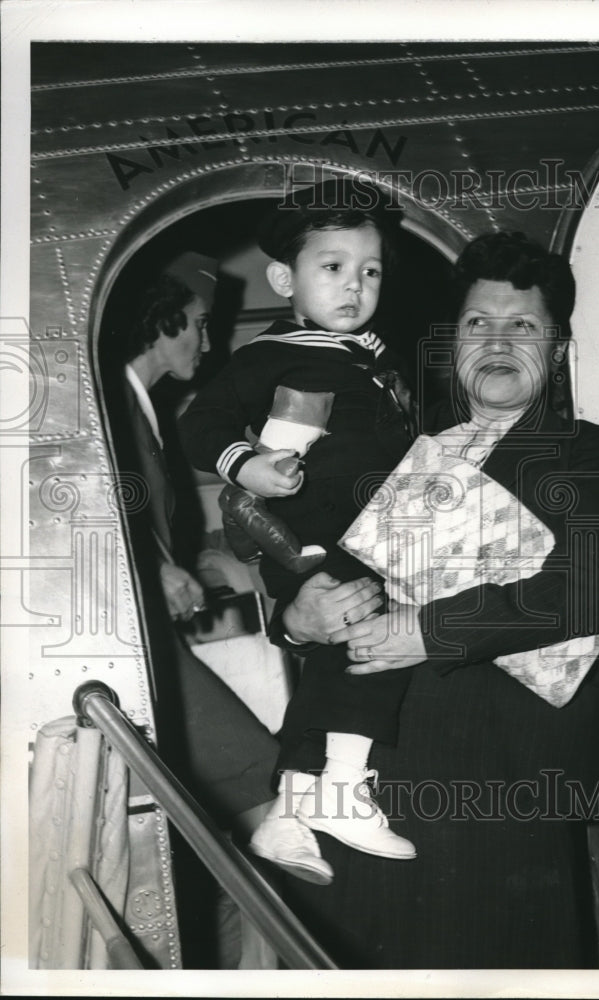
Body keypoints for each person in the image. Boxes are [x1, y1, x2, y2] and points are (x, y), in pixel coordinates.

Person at [274, 231, 599, 968]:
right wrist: (295, 620)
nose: (499, 341)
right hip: (365, 789)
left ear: (560, 348)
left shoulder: (596, 453)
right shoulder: (411, 454)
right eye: (479, 323)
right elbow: (338, 582)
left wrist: (430, 633)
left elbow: (597, 587)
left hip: (497, 787)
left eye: (525, 326)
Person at [179, 178, 418, 873]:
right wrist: (246, 465)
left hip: (376, 530)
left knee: (350, 654)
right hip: (314, 530)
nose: (356, 285)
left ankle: (291, 810)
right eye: (333, 267)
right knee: (371, 639)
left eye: (370, 271)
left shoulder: (376, 359)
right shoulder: (271, 354)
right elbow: (201, 424)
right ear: (284, 277)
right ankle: (342, 786)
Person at [120, 251, 327, 885]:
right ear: (164, 320)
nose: (207, 342)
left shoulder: (141, 410)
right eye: (201, 323)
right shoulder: (115, 406)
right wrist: (153, 569)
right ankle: (274, 821)